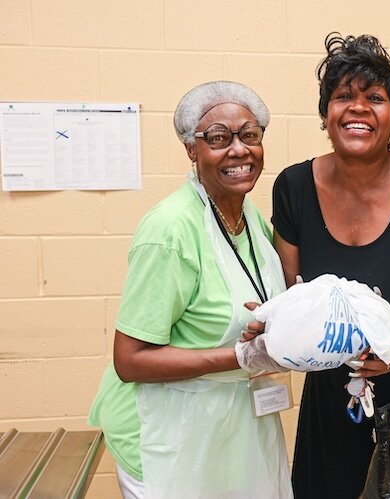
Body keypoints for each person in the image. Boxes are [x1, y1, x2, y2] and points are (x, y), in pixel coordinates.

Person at [271, 33, 390, 498]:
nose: (358, 108)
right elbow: (294, 299)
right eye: (343, 97)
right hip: (329, 405)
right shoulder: (293, 188)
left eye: (374, 98)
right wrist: (273, 324)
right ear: (325, 116)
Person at [88, 81, 293, 499]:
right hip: (170, 432)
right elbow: (131, 361)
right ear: (191, 149)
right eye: (218, 137)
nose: (238, 150)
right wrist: (241, 355)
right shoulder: (170, 230)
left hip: (234, 422)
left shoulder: (249, 217)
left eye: (249, 135)